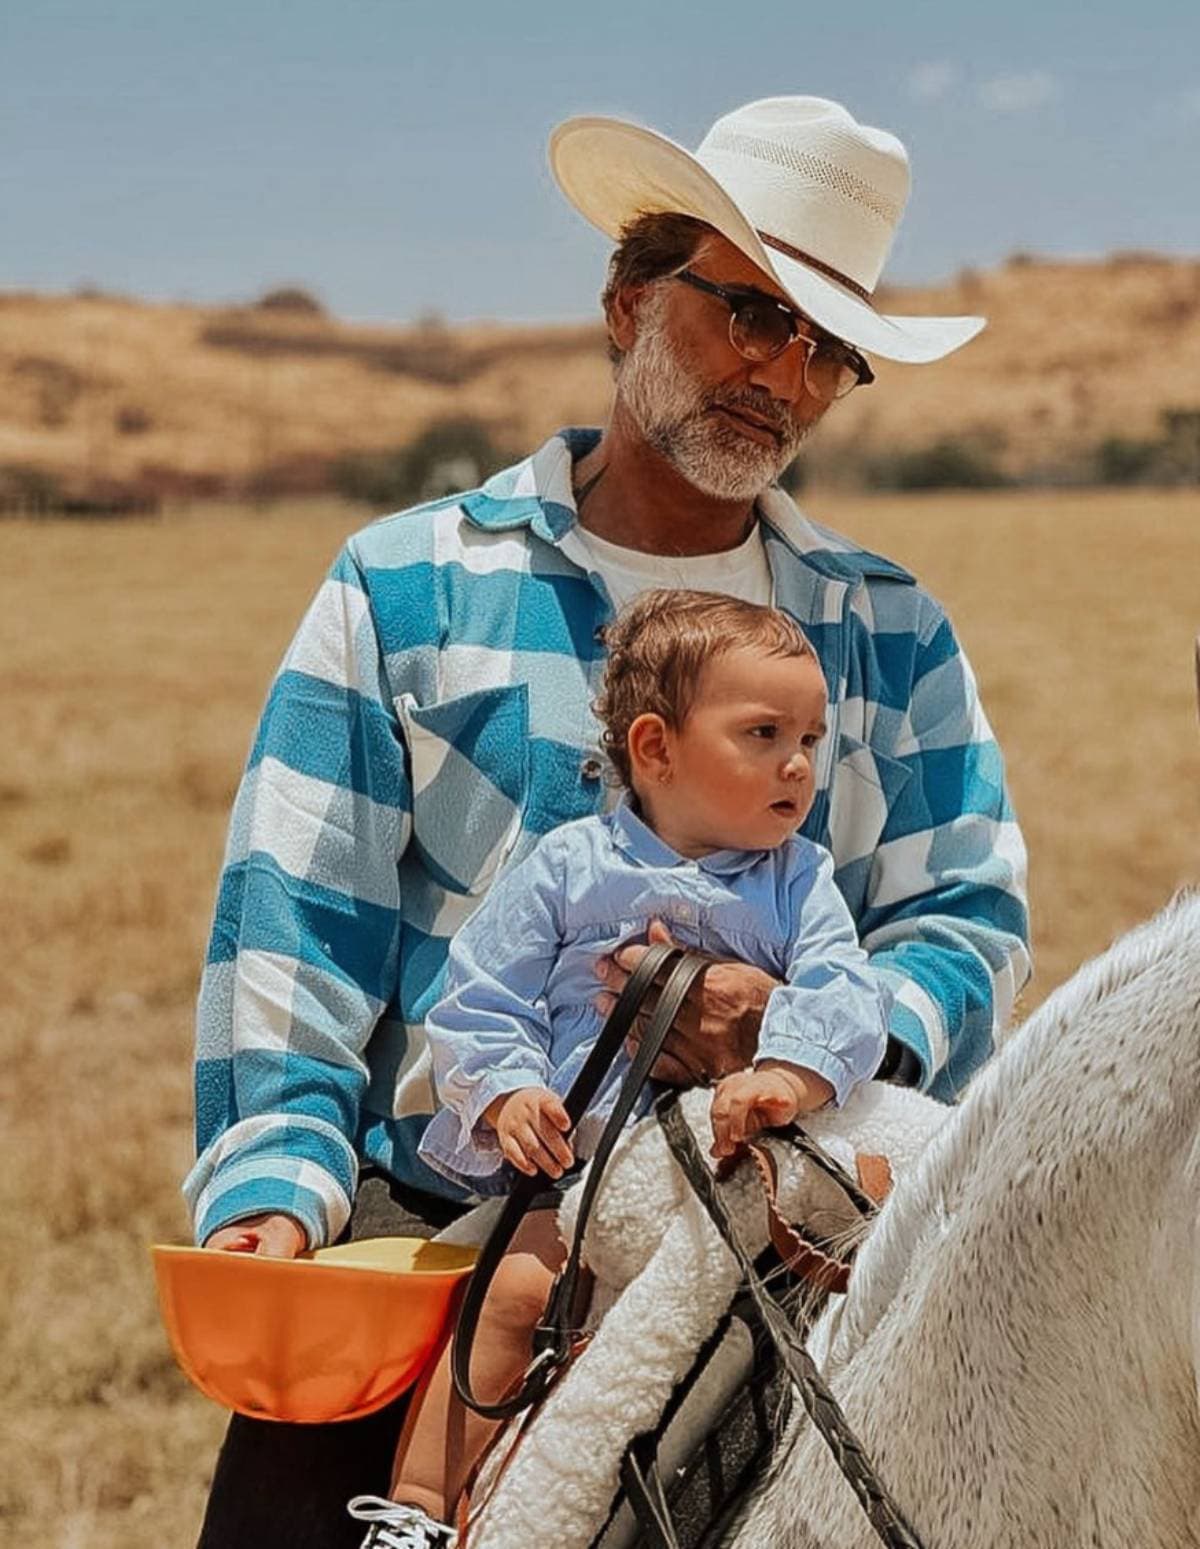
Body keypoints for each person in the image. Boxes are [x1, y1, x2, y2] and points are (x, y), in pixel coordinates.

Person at [187, 95, 1031, 1549]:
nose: (784, 376)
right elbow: (296, 928)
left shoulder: (892, 631)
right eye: (751, 315)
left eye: (828, 351)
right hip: (445, 1205)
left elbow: (966, 916)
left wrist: (804, 1035)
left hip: (776, 1234)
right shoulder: (405, 585)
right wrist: (276, 1187)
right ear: (630, 300)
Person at [345, 589, 889, 1548]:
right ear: (655, 748)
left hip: (728, 1181)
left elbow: (848, 993)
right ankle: (419, 1507)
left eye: (810, 737)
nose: (799, 764)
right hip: (582, 1180)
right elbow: (479, 997)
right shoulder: (569, 867)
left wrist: (789, 1073)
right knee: (512, 1293)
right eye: (764, 733)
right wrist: (507, 1092)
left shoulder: (798, 879)